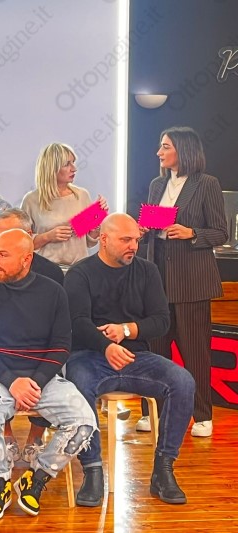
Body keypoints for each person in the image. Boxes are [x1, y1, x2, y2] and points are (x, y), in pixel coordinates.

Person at [64, 213, 195, 507]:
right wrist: (106, 346)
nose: (133, 246)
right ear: (104, 239)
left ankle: (163, 470)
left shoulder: (147, 271)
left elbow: (161, 320)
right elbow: (77, 322)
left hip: (137, 356)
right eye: (126, 240)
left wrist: (126, 330)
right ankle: (92, 471)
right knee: (78, 382)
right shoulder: (80, 273)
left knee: (183, 381)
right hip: (90, 355)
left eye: (136, 239)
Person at [0, 229, 95, 520]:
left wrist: (34, 382)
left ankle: (36, 479)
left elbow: (61, 347)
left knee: (84, 422)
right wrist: (13, 382)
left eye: (2, 255)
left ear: (26, 259)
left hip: (41, 378)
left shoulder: (54, 292)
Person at [138, 126, 228, 438]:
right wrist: (142, 230)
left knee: (195, 352)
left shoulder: (207, 184)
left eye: (165, 147)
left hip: (192, 281)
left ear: (183, 150)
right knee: (155, 350)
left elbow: (221, 232)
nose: (159, 153)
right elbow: (151, 228)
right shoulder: (157, 185)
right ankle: (154, 411)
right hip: (158, 278)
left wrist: (192, 233)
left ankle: (202, 415)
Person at [0, 208, 63, 467]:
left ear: (29, 236)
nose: (3, 241)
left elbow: (57, 330)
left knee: (52, 366)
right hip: (1, 348)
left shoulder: (52, 274)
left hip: (38, 348)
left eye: (10, 234)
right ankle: (6, 435)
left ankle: (36, 437)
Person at [21, 143, 107, 269]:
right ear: (52, 168)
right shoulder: (31, 200)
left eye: (73, 162)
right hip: (45, 270)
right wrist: (48, 236)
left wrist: (97, 222)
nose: (74, 169)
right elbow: (22, 243)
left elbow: (88, 242)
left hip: (78, 269)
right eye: (67, 164)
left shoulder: (81, 195)